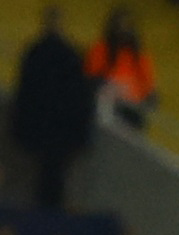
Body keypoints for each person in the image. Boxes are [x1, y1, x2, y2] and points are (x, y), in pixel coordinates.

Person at [10, 10, 95, 210]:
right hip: (59, 133)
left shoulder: (37, 52)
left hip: (45, 131)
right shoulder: (68, 55)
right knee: (50, 183)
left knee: (44, 183)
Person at [81, 9, 154, 126]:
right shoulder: (100, 49)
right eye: (120, 26)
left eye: (127, 26)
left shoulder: (139, 56)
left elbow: (148, 87)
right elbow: (91, 77)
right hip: (105, 106)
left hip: (131, 110)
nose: (123, 31)